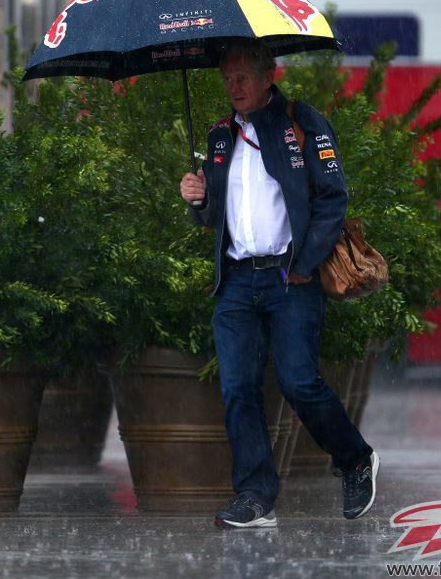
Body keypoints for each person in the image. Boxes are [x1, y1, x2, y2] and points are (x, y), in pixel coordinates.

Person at [179, 38, 378, 529]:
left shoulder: (302, 122)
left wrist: (305, 264)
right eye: (228, 78)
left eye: (243, 76)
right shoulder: (219, 136)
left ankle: (355, 460)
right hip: (236, 281)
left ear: (269, 75)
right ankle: (255, 497)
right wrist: (198, 198)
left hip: (291, 277)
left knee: (298, 382)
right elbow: (211, 216)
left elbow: (333, 197)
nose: (235, 86)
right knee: (237, 389)